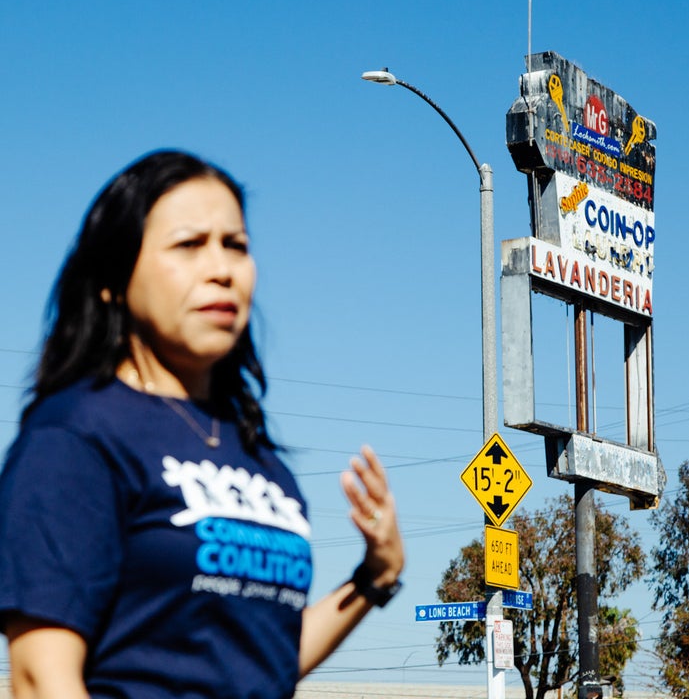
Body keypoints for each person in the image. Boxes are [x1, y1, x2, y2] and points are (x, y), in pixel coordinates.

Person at [0, 150, 404, 699]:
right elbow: (40, 679)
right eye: (189, 245)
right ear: (113, 280)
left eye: (235, 245)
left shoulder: (259, 458)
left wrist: (375, 576)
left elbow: (267, 663)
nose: (222, 269)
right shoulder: (75, 435)